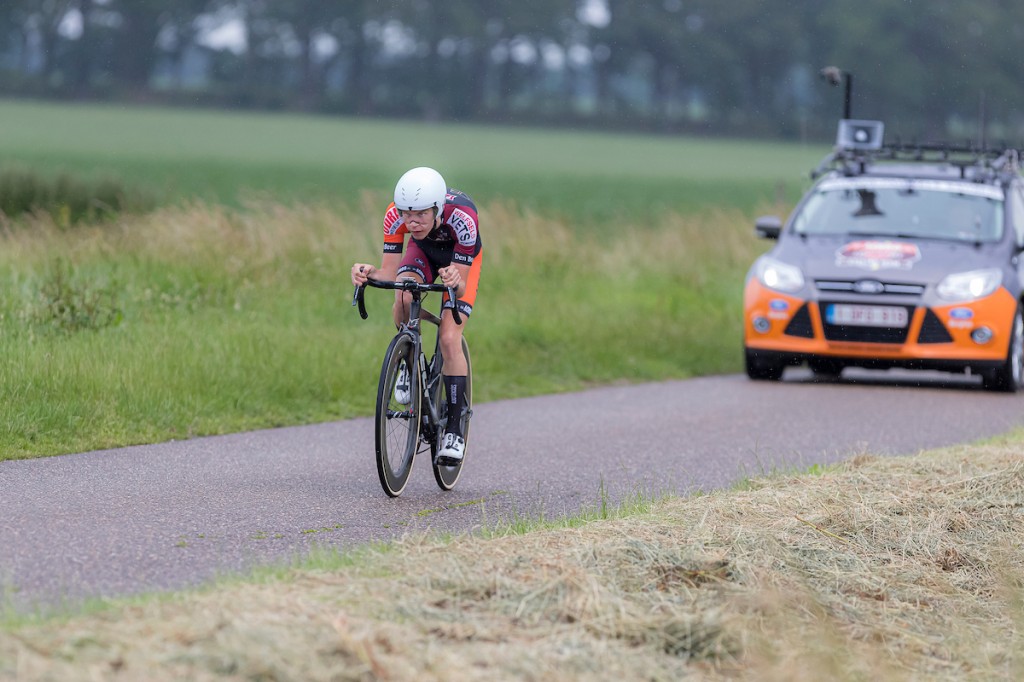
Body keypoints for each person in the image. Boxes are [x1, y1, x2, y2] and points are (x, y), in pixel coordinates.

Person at [351, 167, 482, 464]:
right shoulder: (394, 216)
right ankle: (409, 366)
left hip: (459, 262)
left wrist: (452, 278)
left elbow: (460, 287)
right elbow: (388, 272)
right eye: (406, 214)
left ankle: (453, 431)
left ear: (437, 208)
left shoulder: (463, 218)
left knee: (449, 338)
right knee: (402, 294)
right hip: (422, 253)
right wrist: (366, 274)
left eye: (421, 215)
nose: (412, 221)